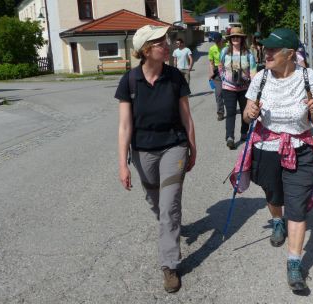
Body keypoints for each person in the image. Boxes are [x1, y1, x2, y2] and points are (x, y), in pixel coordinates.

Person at [241, 28, 313, 292]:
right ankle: (277, 220)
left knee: (297, 206)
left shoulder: (306, 76)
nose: (266, 53)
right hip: (267, 147)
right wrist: (250, 112)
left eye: (272, 50)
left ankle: (294, 263)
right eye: (265, 49)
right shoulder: (260, 79)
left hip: (300, 148)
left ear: (290, 54)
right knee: (273, 194)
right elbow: (246, 116)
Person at [116, 24, 196, 293]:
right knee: (156, 201)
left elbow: (186, 115)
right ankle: (169, 223)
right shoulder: (129, 81)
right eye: (161, 42)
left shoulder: (175, 77)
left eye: (167, 41)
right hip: (142, 150)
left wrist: (192, 146)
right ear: (146, 50)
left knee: (169, 205)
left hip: (173, 145)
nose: (168, 45)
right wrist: (122, 164)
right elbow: (125, 126)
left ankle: (169, 264)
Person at [218, 27, 256, 149]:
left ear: (241, 39)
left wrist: (253, 84)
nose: (235, 38)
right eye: (233, 37)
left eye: (237, 37)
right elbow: (220, 66)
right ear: (230, 39)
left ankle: (244, 133)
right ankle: (230, 137)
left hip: (245, 88)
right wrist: (224, 77)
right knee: (231, 113)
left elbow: (253, 70)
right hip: (228, 88)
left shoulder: (248, 53)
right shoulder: (225, 51)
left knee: (246, 112)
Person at [208, 32, 226, 121]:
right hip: (217, 73)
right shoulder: (212, 49)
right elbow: (211, 63)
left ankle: (230, 109)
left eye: (218, 41)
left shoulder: (227, 46)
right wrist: (211, 73)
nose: (216, 43)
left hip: (228, 71)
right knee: (218, 93)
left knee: (227, 93)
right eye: (215, 41)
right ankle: (220, 113)